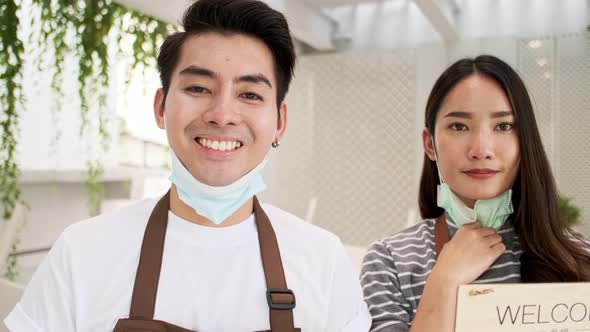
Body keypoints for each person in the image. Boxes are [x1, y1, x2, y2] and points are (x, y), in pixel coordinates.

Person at [4, 1, 371, 331]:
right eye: (198, 88)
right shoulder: (81, 253)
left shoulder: (322, 259)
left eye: (250, 94)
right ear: (161, 107)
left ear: (279, 122)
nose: (223, 114)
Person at [360, 55, 590, 332]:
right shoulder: (390, 262)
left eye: (503, 126)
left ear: (525, 141)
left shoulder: (575, 256)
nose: (481, 149)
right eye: (458, 126)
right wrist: (444, 280)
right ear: (430, 144)